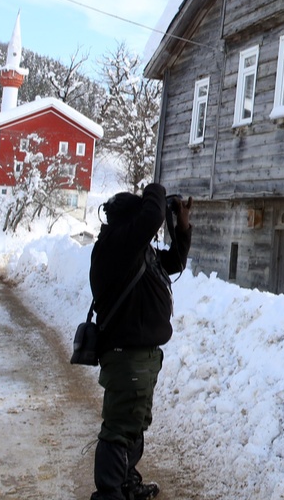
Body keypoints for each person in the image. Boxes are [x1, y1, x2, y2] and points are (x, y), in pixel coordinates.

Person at [89, 183, 192, 500]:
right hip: (126, 355)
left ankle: (125, 483)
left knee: (133, 423)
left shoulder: (136, 252)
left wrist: (182, 225)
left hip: (142, 357)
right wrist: (156, 189)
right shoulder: (115, 247)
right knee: (120, 427)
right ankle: (109, 493)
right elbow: (148, 219)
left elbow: (174, 262)